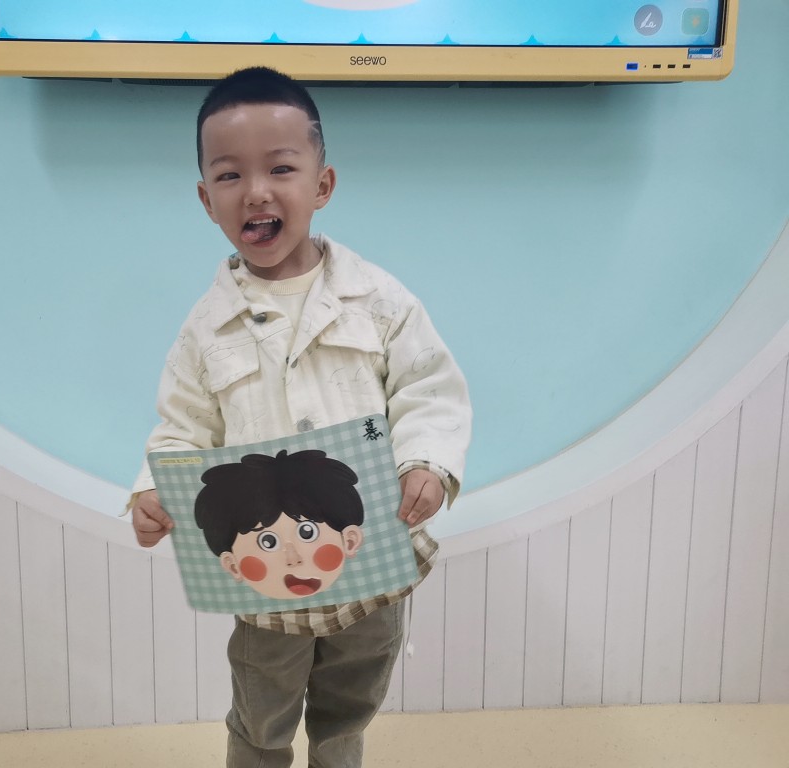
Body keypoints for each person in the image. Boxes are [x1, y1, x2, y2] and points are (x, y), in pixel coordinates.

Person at [129, 66, 471, 768]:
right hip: (267, 579)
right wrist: (153, 488)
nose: (256, 191)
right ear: (207, 200)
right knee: (262, 710)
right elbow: (182, 427)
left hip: (369, 560)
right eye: (230, 175)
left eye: (281, 168)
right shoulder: (206, 329)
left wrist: (428, 462)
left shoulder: (379, 300)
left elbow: (428, 389)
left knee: (352, 702)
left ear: (322, 185)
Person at [194, 449, 366, 600]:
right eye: (268, 541)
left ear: (350, 540)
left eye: (307, 532)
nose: (293, 559)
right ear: (232, 565)